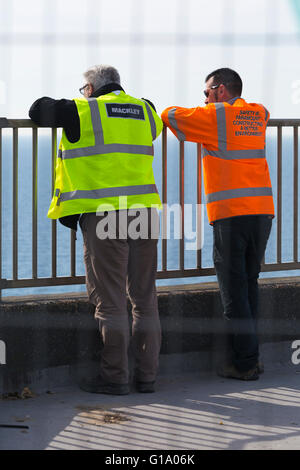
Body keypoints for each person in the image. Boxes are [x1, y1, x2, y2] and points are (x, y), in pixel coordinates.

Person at [29, 65, 163, 394]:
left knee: (111, 301)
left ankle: (114, 376)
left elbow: (37, 110)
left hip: (105, 215)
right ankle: (147, 376)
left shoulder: (83, 110)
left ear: (90, 88)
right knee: (145, 300)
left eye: (83, 89)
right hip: (145, 211)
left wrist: (83, 99)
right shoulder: (146, 110)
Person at [161, 68, 274, 381]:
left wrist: (208, 107)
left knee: (234, 292)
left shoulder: (216, 117)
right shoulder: (257, 113)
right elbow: (266, 112)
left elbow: (169, 115)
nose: (206, 98)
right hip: (263, 211)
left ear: (221, 90)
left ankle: (245, 364)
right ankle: (253, 357)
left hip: (231, 214)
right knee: (250, 284)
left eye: (207, 93)